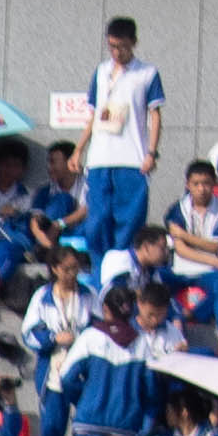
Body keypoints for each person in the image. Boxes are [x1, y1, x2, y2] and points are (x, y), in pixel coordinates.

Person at [78, 16, 165, 265]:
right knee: (97, 221)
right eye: (112, 46)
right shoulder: (101, 72)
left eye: (122, 47)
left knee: (129, 222)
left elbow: (155, 115)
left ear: (134, 43)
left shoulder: (147, 73)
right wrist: (78, 149)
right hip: (100, 159)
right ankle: (101, 273)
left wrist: (151, 153)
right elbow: (94, 115)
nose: (117, 52)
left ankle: (124, 271)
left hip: (132, 160)